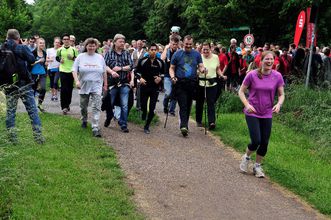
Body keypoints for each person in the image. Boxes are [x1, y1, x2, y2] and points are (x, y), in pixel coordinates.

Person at [238, 51, 285, 178]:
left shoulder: (277, 76)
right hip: (252, 112)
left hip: (267, 113)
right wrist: (247, 105)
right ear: (261, 61)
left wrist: (279, 104)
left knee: (264, 142)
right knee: (256, 141)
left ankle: (257, 166)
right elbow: (241, 92)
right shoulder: (252, 75)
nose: (269, 62)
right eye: (267, 59)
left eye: (271, 59)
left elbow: (281, 94)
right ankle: (246, 157)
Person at [3, 29, 45, 144]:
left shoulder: (2, 48)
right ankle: (38, 137)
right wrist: (22, 45)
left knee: (10, 112)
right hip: (24, 84)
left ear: (7, 37)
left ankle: (12, 139)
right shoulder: (21, 47)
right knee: (32, 111)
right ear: (18, 38)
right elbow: (31, 59)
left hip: (9, 86)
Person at [169, 35, 206, 137]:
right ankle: (183, 126)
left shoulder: (197, 54)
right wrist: (173, 77)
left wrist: (203, 70)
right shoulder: (177, 54)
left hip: (192, 83)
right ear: (183, 43)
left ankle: (185, 124)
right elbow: (171, 68)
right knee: (183, 104)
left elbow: (201, 66)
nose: (188, 46)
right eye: (186, 44)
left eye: (190, 44)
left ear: (192, 44)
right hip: (180, 82)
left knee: (189, 104)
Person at [72, 38, 108, 137]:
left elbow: (104, 71)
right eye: (89, 45)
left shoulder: (100, 57)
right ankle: (84, 119)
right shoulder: (80, 57)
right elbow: (74, 70)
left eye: (93, 45)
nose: (91, 47)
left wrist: (105, 84)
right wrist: (77, 81)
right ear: (86, 46)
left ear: (96, 47)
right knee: (83, 106)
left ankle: (95, 126)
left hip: (97, 85)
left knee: (96, 106)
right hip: (83, 85)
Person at [104, 33, 134, 133]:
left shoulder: (126, 53)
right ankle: (109, 117)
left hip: (124, 82)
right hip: (112, 83)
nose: (122, 43)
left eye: (123, 42)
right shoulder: (109, 53)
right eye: (120, 41)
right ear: (115, 42)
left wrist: (120, 68)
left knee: (124, 105)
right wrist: (112, 72)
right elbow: (105, 65)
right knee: (110, 103)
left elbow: (131, 66)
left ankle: (123, 123)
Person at [196, 42, 226, 130]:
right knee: (200, 102)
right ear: (201, 50)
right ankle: (198, 120)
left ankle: (211, 122)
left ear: (211, 49)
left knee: (211, 102)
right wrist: (200, 72)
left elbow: (217, 69)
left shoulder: (215, 57)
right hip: (201, 83)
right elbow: (196, 69)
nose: (205, 51)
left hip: (212, 83)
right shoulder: (199, 57)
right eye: (204, 49)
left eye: (207, 49)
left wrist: (221, 75)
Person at [135, 43, 164, 134]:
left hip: (154, 87)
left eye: (155, 50)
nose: (153, 51)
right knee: (143, 105)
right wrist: (140, 78)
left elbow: (163, 73)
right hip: (144, 86)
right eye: (151, 49)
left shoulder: (160, 62)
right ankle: (143, 112)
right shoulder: (143, 60)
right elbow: (136, 71)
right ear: (148, 50)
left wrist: (160, 78)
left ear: (157, 51)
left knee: (152, 108)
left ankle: (147, 126)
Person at [56, 33, 79, 115]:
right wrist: (60, 61)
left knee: (69, 89)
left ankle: (68, 104)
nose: (66, 40)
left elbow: (77, 60)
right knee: (63, 89)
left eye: (67, 39)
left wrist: (72, 58)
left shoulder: (74, 49)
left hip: (71, 71)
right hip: (62, 70)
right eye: (64, 39)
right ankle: (64, 107)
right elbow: (57, 57)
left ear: (70, 40)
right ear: (62, 41)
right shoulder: (60, 49)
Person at [161, 35, 180, 116]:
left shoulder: (179, 52)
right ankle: (165, 106)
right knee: (168, 93)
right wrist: (165, 48)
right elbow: (162, 58)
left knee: (175, 93)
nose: (174, 46)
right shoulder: (167, 51)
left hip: (176, 75)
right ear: (170, 44)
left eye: (176, 44)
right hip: (167, 75)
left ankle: (171, 110)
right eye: (173, 44)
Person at [30, 38, 47, 112]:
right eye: (40, 43)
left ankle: (40, 103)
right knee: (33, 90)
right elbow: (30, 63)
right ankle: (32, 106)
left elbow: (44, 63)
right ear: (37, 43)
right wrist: (38, 61)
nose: (42, 44)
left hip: (42, 73)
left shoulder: (44, 53)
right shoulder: (33, 53)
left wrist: (45, 64)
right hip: (34, 74)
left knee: (43, 89)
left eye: (43, 43)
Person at [46, 37, 61, 101]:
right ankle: (53, 95)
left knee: (55, 81)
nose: (57, 43)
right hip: (50, 68)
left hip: (58, 68)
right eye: (56, 42)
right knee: (52, 82)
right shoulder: (49, 50)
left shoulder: (61, 50)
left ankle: (55, 95)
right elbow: (46, 59)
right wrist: (50, 59)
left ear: (59, 43)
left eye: (58, 42)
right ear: (53, 43)